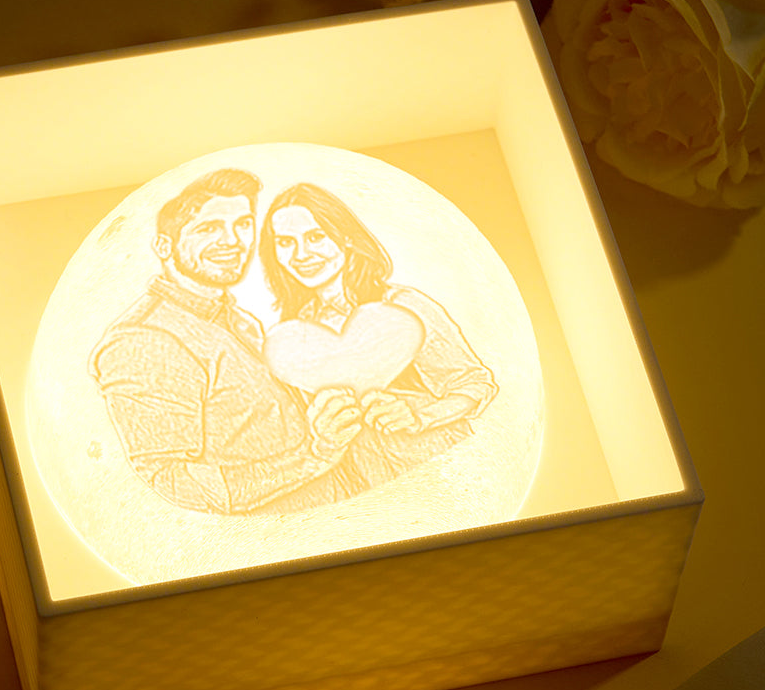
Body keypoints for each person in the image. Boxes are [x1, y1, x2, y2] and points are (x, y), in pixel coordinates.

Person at [90, 169, 364, 514]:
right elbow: (174, 482)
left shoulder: (239, 319)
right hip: (281, 538)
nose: (233, 241)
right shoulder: (143, 340)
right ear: (164, 246)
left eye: (243, 224)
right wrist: (315, 456)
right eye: (208, 228)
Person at [259, 182, 498, 488]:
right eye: (285, 242)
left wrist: (419, 416)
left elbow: (474, 383)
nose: (301, 254)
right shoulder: (294, 335)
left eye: (316, 237)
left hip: (442, 469)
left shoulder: (403, 307)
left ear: (346, 237)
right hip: (371, 483)